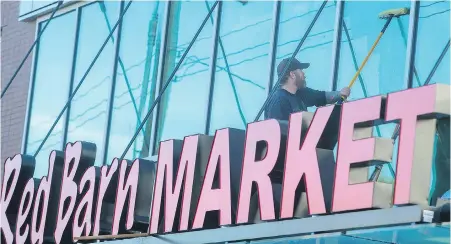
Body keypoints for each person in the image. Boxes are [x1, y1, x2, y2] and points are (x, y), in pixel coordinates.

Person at [265, 58, 351, 121]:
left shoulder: (301, 93)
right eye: (301, 70)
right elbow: (278, 133)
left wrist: (340, 94)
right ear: (292, 74)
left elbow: (322, 97)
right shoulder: (278, 100)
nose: (304, 74)